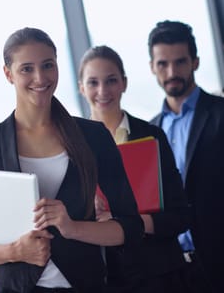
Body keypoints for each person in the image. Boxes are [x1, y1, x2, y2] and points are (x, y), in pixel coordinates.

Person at [0, 27, 143, 293]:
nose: (40, 77)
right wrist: (14, 251)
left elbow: (131, 227)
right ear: (8, 74)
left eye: (47, 65)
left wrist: (73, 228)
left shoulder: (93, 137)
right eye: (26, 68)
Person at [78, 45, 190, 292]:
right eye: (93, 82)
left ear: (124, 83)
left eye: (111, 81)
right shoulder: (72, 148)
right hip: (105, 278)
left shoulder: (152, 136)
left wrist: (129, 222)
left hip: (160, 274)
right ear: (81, 88)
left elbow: (180, 215)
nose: (103, 91)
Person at [148, 20, 224, 292]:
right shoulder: (149, 131)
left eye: (180, 62)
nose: (171, 72)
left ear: (195, 62)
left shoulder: (220, 113)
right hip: (173, 269)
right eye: (162, 64)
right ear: (152, 67)